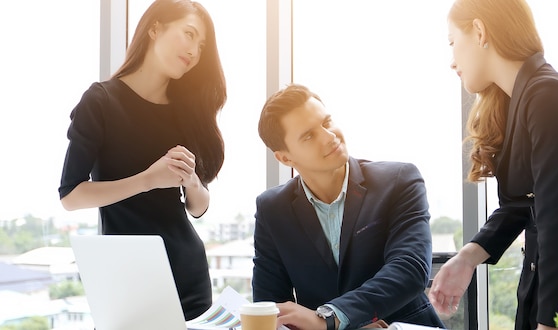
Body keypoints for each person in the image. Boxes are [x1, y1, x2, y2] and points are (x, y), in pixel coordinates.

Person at [428, 0, 558, 329]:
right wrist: (467, 257)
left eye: (452, 42)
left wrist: (549, 322)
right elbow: (526, 203)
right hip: (550, 297)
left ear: (479, 31)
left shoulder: (550, 98)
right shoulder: (524, 100)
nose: (452, 61)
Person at [58, 0, 227, 320]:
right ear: (154, 28)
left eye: (201, 45)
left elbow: (199, 207)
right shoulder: (101, 101)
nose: (194, 50)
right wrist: (147, 180)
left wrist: (191, 180)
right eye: (189, 34)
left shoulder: (185, 112)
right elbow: (71, 195)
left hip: (188, 272)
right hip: (128, 276)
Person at [252, 83, 445, 330]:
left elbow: (409, 269)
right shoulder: (272, 209)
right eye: (309, 135)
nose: (329, 135)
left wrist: (332, 317)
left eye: (327, 122)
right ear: (285, 158)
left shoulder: (399, 181)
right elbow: (272, 306)